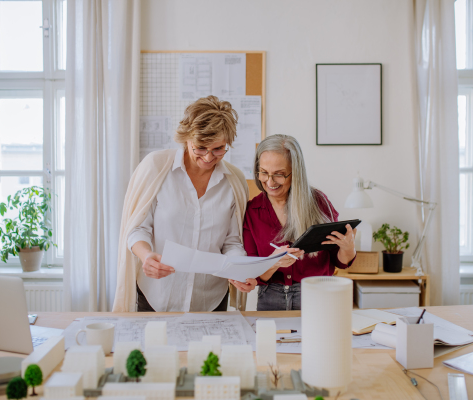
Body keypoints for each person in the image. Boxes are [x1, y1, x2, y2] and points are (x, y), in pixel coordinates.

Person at [112, 96, 257, 312]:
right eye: (200, 148)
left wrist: (238, 270)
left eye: (218, 149)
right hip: (157, 295)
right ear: (186, 138)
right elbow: (136, 229)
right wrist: (146, 255)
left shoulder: (233, 181)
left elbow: (232, 242)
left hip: (210, 299)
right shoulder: (156, 168)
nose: (209, 157)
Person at [243, 134, 357, 311]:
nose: (270, 182)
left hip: (317, 294)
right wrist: (274, 263)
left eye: (279, 175)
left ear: (295, 172)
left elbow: (339, 261)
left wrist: (348, 248)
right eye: (264, 172)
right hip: (271, 298)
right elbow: (254, 275)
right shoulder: (252, 211)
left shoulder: (319, 202)